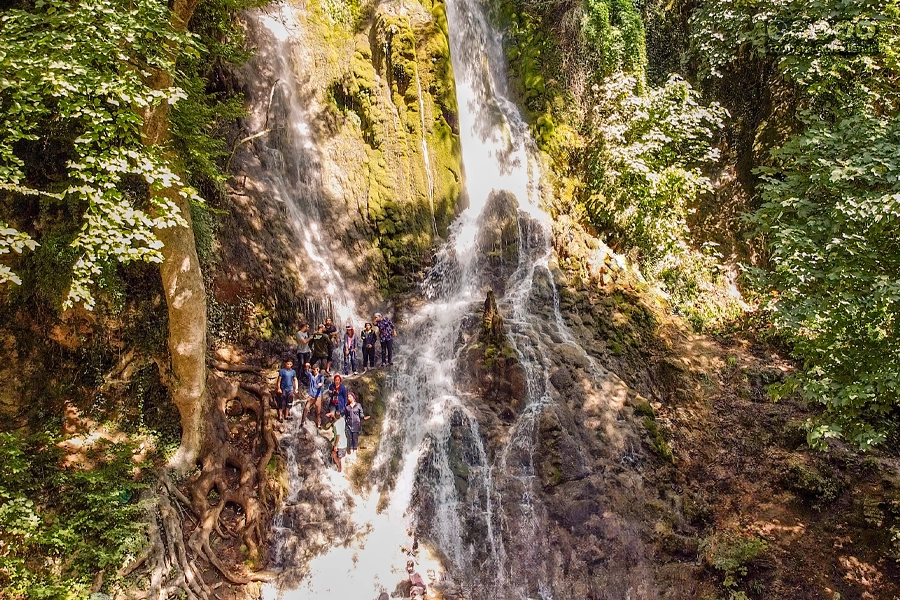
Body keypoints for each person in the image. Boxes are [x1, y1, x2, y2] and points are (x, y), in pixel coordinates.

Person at [303, 363, 325, 428]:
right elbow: (306, 372)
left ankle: (318, 424)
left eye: (317, 369)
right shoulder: (311, 376)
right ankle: (303, 421)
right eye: (314, 369)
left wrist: (321, 383)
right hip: (311, 395)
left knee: (318, 411)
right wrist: (307, 366)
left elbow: (322, 381)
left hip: (318, 396)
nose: (316, 371)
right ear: (313, 370)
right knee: (306, 408)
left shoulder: (321, 376)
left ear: (318, 370)